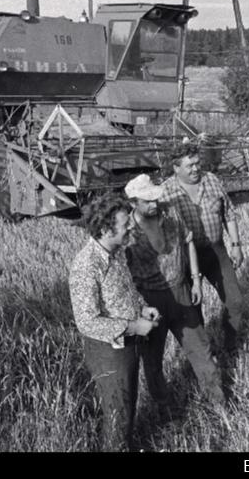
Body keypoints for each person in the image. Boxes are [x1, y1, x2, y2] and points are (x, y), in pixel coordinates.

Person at [68, 192, 160, 451]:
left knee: (127, 405)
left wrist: (142, 308)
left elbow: (125, 291)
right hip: (108, 351)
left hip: (126, 344)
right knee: (117, 412)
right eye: (125, 224)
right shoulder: (86, 265)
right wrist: (133, 327)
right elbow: (86, 322)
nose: (132, 226)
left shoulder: (116, 252)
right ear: (107, 230)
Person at [123, 174, 224, 407]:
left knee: (201, 349)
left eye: (155, 198)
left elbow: (188, 242)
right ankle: (164, 408)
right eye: (146, 201)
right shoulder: (126, 229)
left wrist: (196, 280)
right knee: (152, 359)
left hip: (181, 290)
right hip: (150, 300)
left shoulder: (170, 212)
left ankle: (217, 400)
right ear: (133, 203)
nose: (153, 204)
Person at [159, 143, 244, 353]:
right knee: (193, 310)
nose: (196, 169)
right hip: (185, 258)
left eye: (197, 163)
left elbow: (229, 213)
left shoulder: (212, 179)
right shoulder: (165, 191)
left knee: (235, 301)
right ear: (176, 168)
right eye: (190, 166)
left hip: (216, 252)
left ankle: (230, 346)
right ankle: (205, 353)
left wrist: (235, 245)